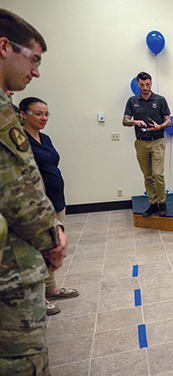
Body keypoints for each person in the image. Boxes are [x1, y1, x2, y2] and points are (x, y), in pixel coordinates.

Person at [0, 9, 68, 376]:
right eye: (34, 59)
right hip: (11, 268)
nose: (37, 71)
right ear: (4, 47)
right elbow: (16, 190)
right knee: (22, 362)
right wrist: (51, 238)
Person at [20, 97, 79, 316]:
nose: (43, 118)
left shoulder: (44, 138)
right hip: (38, 205)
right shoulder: (20, 141)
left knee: (52, 248)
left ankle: (51, 289)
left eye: (46, 114)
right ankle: (40, 299)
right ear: (23, 114)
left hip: (56, 201)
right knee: (38, 252)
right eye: (38, 113)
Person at [123, 71, 171, 217]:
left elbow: (168, 121)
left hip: (157, 141)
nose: (145, 87)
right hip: (141, 143)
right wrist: (134, 122)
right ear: (137, 84)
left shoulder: (160, 99)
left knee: (158, 174)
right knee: (148, 176)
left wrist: (160, 126)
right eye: (142, 84)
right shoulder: (132, 101)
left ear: (151, 83)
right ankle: (153, 204)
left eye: (148, 84)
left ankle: (162, 203)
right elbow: (125, 121)